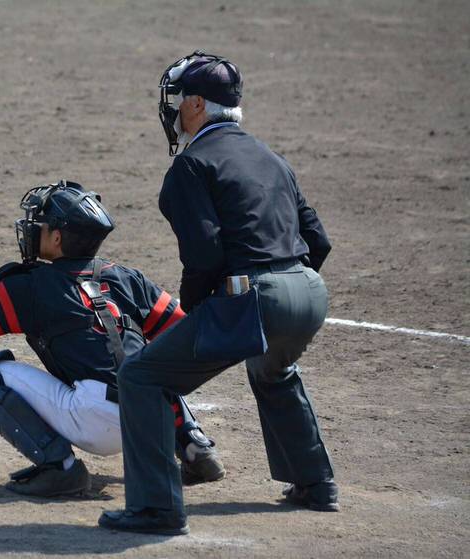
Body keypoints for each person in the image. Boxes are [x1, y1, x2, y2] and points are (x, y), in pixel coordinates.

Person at [0, 180, 227, 497]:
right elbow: (183, 337)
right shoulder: (127, 277)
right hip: (150, 420)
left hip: (94, 422)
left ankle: (60, 468)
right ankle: (194, 444)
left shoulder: (32, 286)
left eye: (42, 223)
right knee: (156, 357)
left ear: (58, 237)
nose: (33, 228)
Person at [98, 51, 336, 535]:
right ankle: (316, 484)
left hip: (256, 299)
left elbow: (204, 254)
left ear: (198, 105)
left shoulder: (192, 166)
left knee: (143, 378)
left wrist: (198, 311)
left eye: (177, 101)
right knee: (273, 369)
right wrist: (284, 283)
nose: (171, 111)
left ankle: (156, 510)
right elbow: (319, 240)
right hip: (310, 293)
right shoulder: (273, 157)